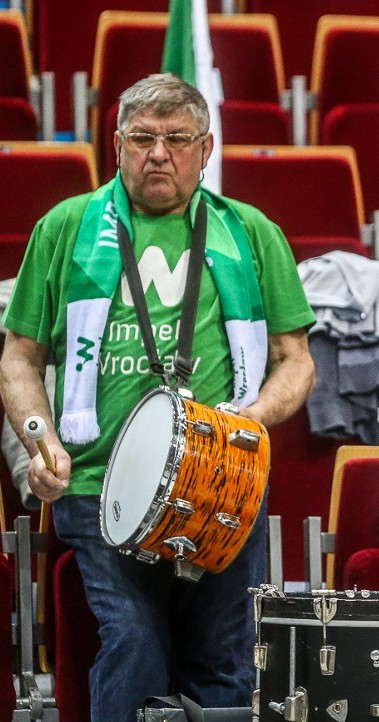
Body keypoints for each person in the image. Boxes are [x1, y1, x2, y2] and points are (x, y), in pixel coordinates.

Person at [0, 74, 316, 721]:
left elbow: (296, 362)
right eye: (142, 138)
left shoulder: (251, 232)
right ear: (116, 145)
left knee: (223, 660)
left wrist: (252, 417)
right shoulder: (66, 227)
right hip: (95, 485)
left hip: (224, 482)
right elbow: (19, 356)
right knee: (135, 640)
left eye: (176, 139)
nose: (158, 153)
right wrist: (42, 439)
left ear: (207, 147)